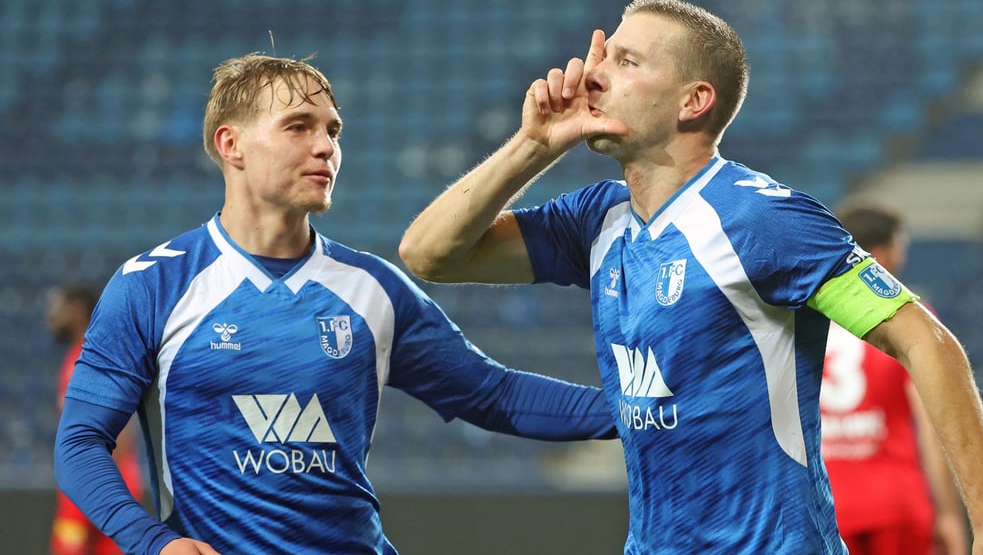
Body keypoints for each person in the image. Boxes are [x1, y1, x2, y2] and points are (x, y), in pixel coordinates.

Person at [398, 0, 983, 554]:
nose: (592, 74)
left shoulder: (760, 218)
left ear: (693, 102)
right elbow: (431, 255)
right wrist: (534, 146)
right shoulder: (597, 219)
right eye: (603, 56)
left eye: (627, 62)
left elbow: (925, 341)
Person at [53, 53, 617, 555]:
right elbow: (81, 442)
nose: (325, 146)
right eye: (298, 127)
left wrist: (647, 409)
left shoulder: (373, 288)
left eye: (332, 130)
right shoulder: (154, 285)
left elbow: (496, 395)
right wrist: (154, 542)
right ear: (232, 145)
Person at [821, 201, 967, 555]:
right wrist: (948, 514)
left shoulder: (804, 321)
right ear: (879, 256)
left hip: (826, 508)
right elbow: (934, 425)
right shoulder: (908, 319)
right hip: (896, 504)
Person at [48, 284, 145, 555]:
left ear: (77, 311)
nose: (51, 317)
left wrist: (96, 485)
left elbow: (122, 426)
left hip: (99, 481)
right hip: (99, 480)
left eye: (59, 308)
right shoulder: (78, 356)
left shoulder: (96, 358)